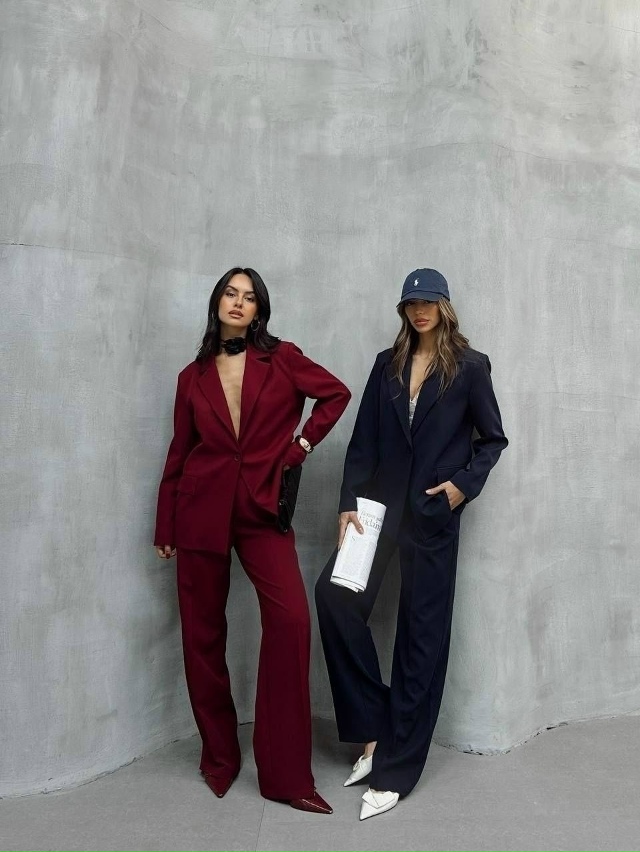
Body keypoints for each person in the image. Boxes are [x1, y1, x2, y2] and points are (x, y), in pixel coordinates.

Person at [154, 267, 350, 814]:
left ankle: (286, 776)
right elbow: (179, 451)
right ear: (217, 302)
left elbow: (335, 394)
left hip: (263, 510)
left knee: (291, 622)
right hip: (199, 512)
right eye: (230, 293)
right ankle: (219, 757)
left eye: (249, 297)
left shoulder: (282, 358)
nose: (238, 303)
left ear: (259, 310)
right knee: (202, 636)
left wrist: (300, 447)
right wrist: (165, 524)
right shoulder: (191, 377)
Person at [315, 268, 508, 820]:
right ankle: (374, 730)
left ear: (444, 305)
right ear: (403, 309)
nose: (419, 310)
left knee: (420, 640)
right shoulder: (388, 363)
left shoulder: (471, 367)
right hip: (376, 511)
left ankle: (397, 769)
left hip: (431, 514)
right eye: (411, 303)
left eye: (428, 301)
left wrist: (460, 487)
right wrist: (348, 502)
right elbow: (363, 440)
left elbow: (493, 440)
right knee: (334, 597)